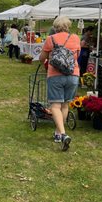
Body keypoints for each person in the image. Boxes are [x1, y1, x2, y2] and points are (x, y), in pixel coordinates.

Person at [39, 16, 80, 151]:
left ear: (55, 27)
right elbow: (76, 57)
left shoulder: (51, 39)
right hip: (73, 75)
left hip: (55, 75)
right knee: (65, 105)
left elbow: (42, 58)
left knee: (55, 106)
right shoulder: (75, 38)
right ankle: (58, 133)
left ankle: (62, 134)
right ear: (68, 26)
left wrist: (46, 60)